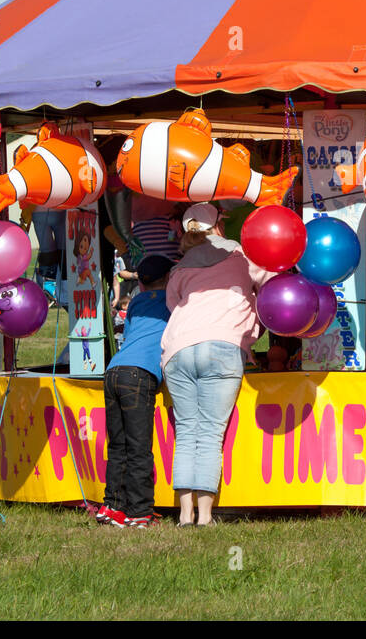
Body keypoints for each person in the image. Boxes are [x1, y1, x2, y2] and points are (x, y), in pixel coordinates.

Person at [161, 203, 275, 526]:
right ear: (218, 227)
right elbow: (272, 281)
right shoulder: (241, 255)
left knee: (187, 431)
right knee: (211, 433)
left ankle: (185, 515)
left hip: (178, 348)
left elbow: (173, 305)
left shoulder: (179, 268)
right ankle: (205, 517)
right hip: (223, 345)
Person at [96, 255, 173, 529]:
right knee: (139, 447)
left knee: (118, 445)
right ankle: (140, 511)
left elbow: (129, 335)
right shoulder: (172, 302)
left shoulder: (138, 302)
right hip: (139, 374)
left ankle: (112, 505)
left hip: (114, 370)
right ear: (169, 277)